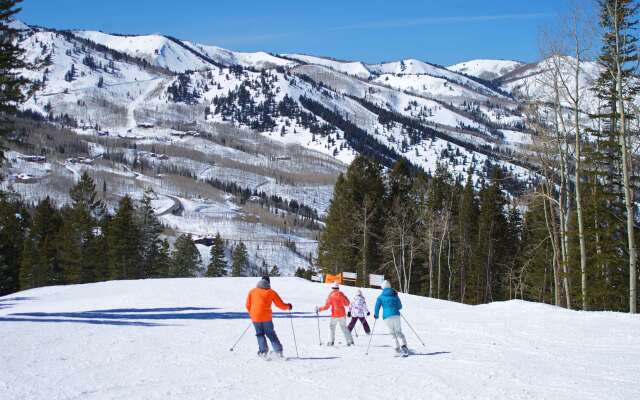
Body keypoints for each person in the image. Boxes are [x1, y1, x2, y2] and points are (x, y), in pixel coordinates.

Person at [245, 276, 292, 359]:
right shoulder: (271, 292)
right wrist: (288, 306)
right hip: (267, 317)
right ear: (268, 283)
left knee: (260, 334)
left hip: (256, 317)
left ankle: (263, 352)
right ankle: (278, 352)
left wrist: (252, 314)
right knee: (271, 334)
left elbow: (248, 305)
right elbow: (280, 305)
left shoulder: (252, 291)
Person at [373, 280, 409, 355]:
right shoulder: (395, 294)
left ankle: (396, 347)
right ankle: (404, 346)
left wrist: (376, 315)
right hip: (396, 315)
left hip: (387, 317)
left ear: (382, 288)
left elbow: (377, 307)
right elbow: (400, 306)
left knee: (392, 333)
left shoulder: (380, 297)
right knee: (398, 331)